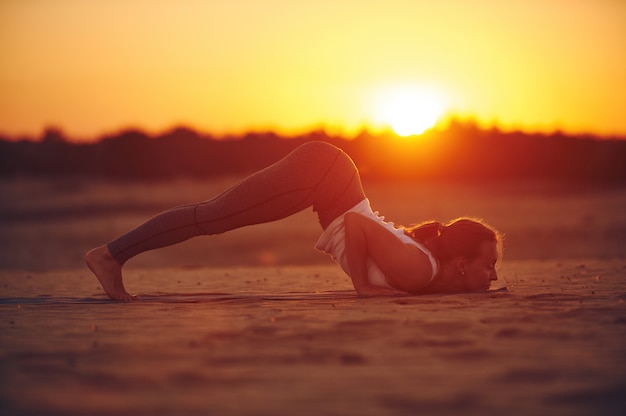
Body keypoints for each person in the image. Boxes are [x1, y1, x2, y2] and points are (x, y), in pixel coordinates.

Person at [85, 141, 502, 301]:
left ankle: (113, 255)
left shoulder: (424, 273)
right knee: (211, 217)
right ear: (462, 262)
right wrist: (362, 286)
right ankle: (110, 256)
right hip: (323, 174)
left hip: (329, 174)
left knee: (212, 215)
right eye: (489, 264)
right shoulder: (420, 270)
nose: (494, 274)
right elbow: (356, 227)